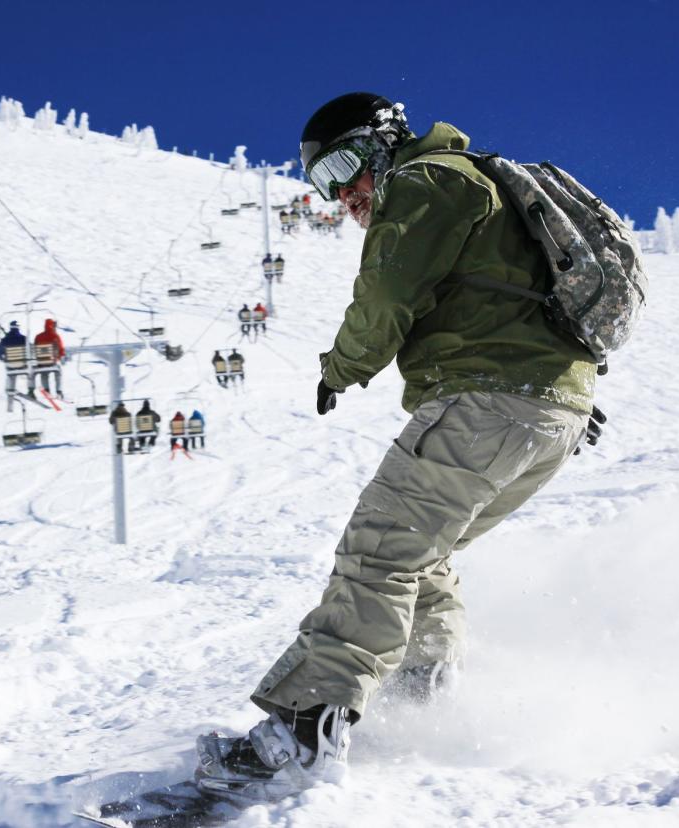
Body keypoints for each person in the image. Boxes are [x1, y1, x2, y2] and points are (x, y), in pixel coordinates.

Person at [194, 92, 601, 804]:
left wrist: (340, 367)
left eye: (347, 167)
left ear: (384, 143)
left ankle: (302, 732)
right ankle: (422, 695)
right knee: (421, 554)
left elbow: (385, 294)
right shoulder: (482, 186)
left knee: (379, 551)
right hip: (545, 415)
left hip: (486, 401)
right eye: (324, 184)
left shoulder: (427, 179)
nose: (344, 194)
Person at [30, 318, 67, 399]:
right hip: (52, 362)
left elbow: (35, 349)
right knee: (58, 372)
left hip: (41, 363)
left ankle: (47, 390)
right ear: (53, 326)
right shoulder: (55, 336)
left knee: (44, 373)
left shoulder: (38, 336)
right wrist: (61, 357)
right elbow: (61, 349)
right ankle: (59, 391)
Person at [0, 321, 29, 404]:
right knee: (30, 370)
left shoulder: (5, 339)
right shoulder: (23, 338)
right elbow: (30, 349)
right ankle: (31, 389)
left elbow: (0, 351)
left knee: (11, 372)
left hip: (10, 364)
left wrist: (2, 359)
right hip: (22, 364)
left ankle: (10, 388)